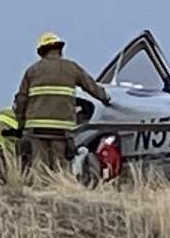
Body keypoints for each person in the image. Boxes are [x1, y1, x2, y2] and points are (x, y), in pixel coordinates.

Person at [13, 32, 111, 175]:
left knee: (40, 167)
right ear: (60, 49)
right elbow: (92, 87)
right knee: (60, 168)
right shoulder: (71, 68)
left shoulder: (32, 71)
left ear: (41, 52)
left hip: (37, 129)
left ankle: (40, 194)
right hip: (61, 129)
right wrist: (106, 98)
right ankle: (60, 191)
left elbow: (21, 100)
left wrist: (21, 125)